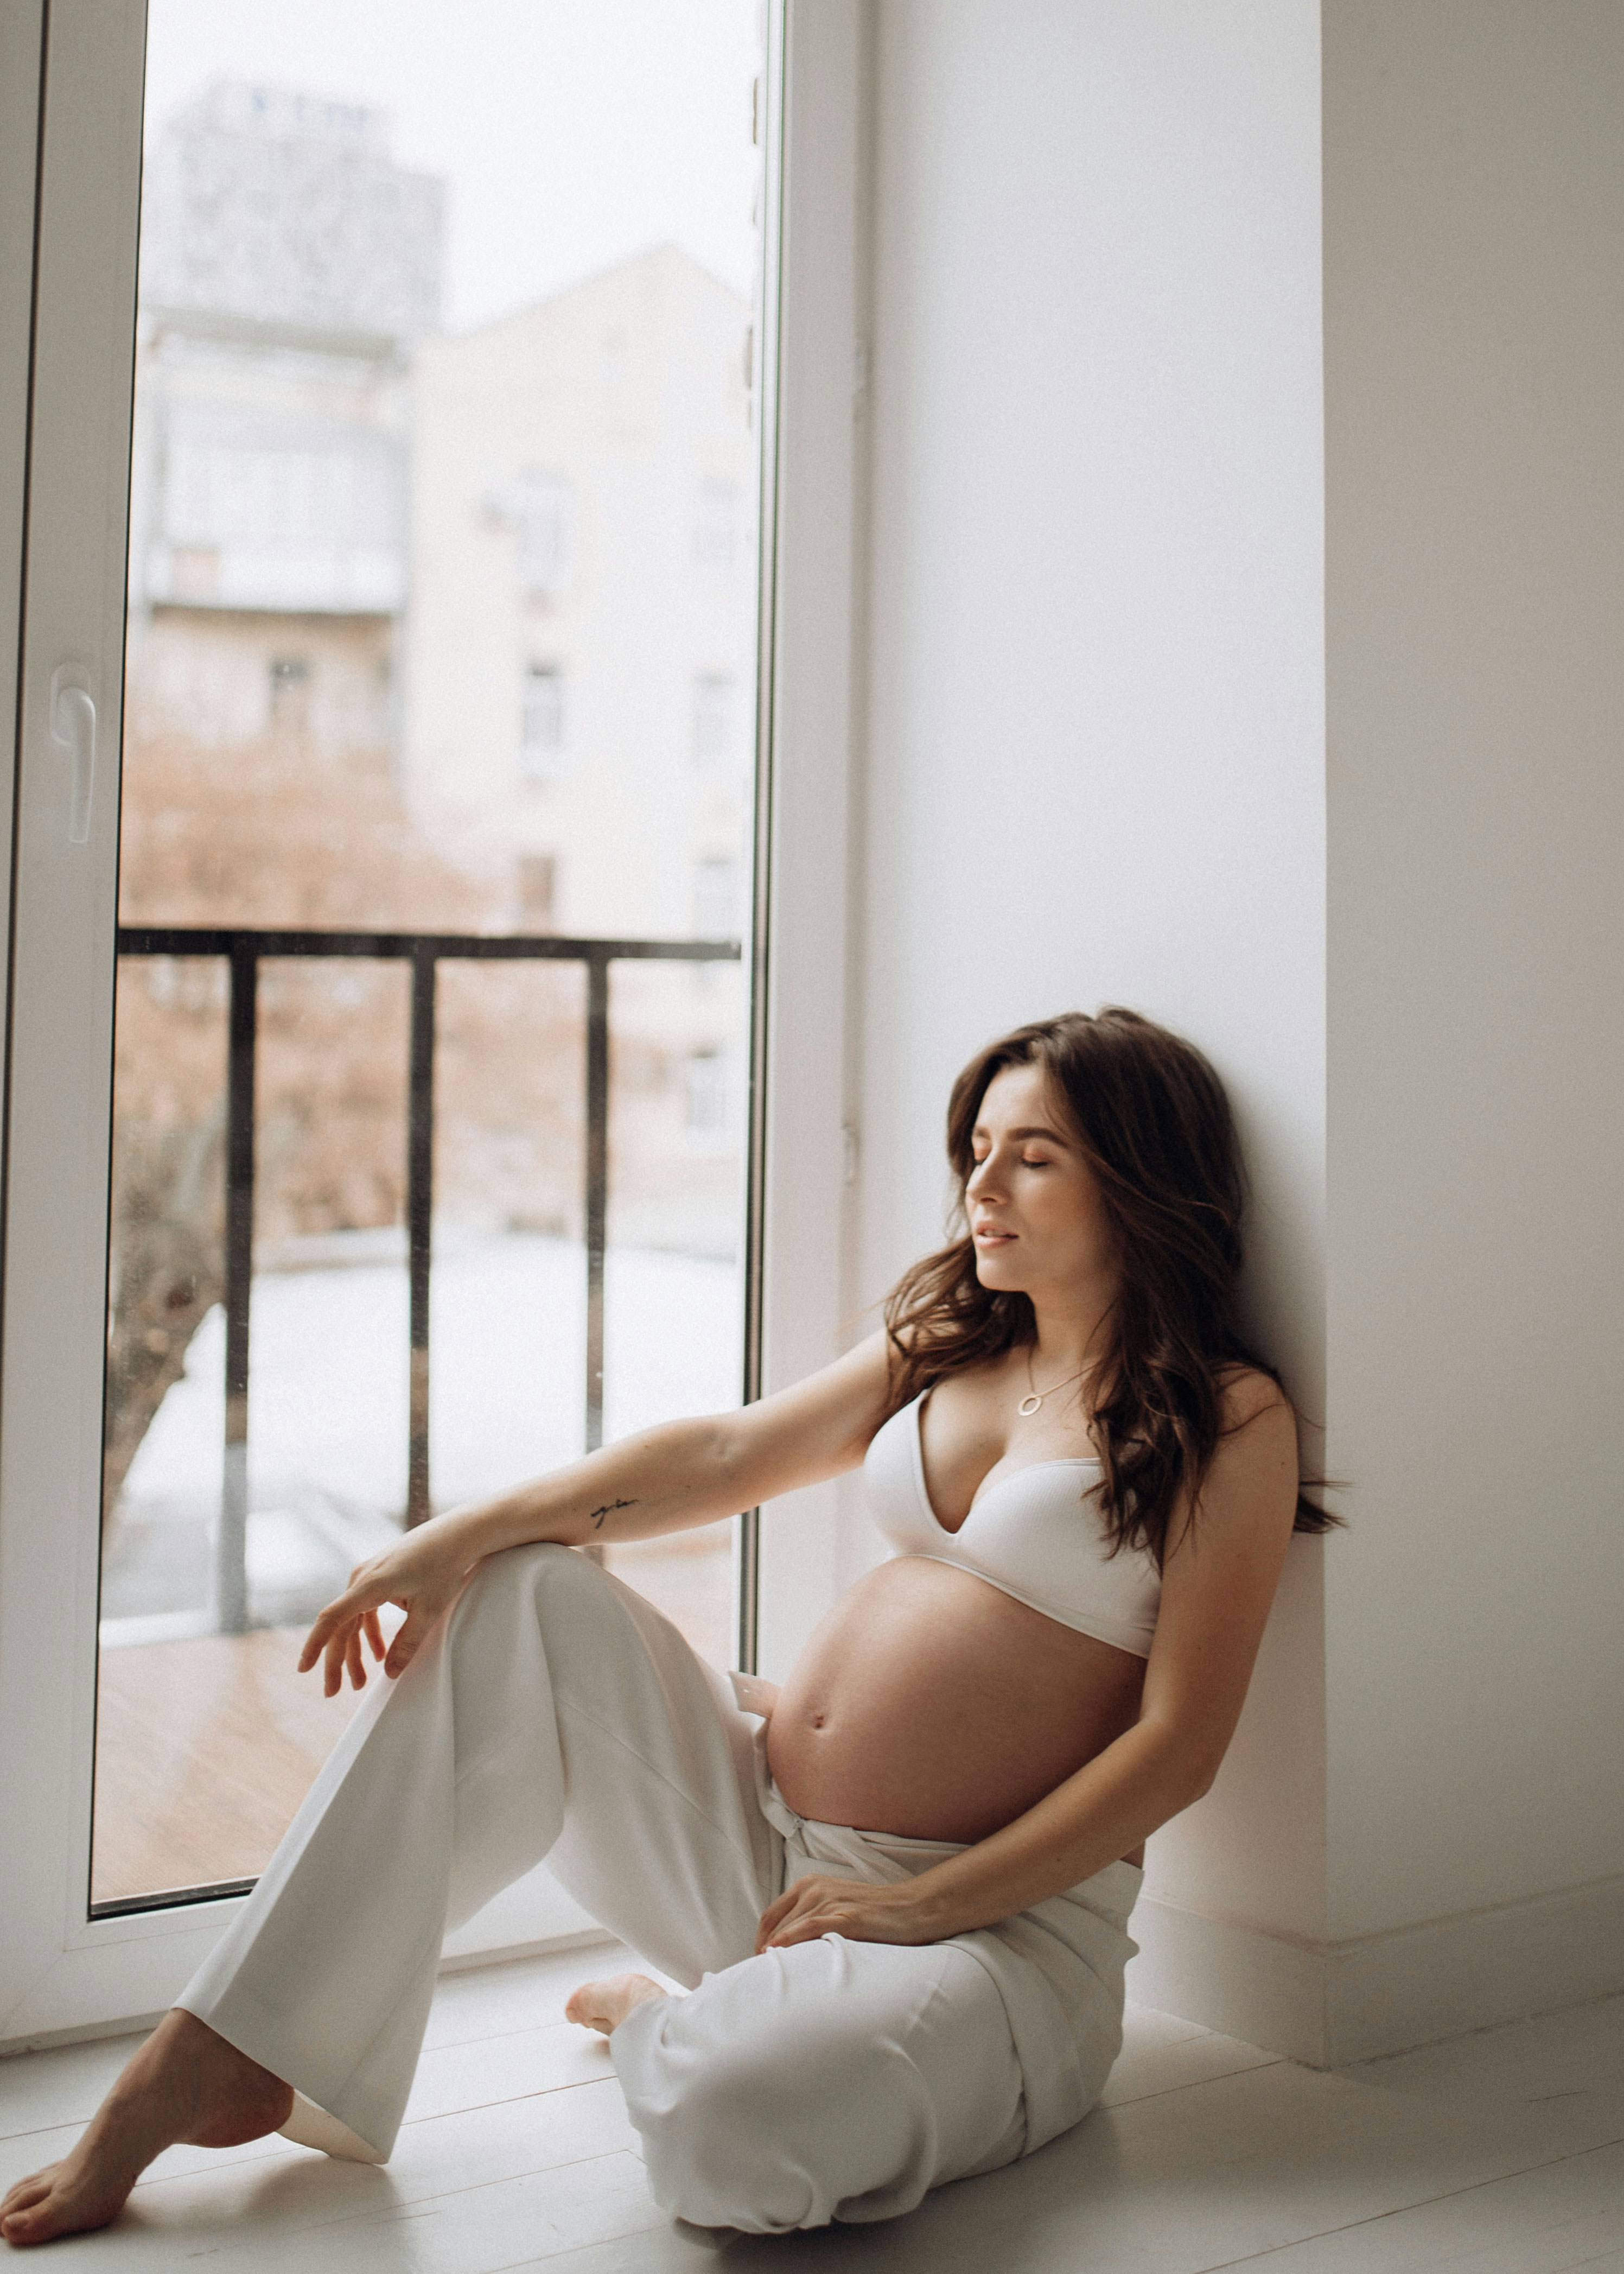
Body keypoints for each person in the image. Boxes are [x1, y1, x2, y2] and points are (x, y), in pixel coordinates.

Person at [1, 1007, 1332, 2248]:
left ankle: (670, 2021)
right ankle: (225, 2046)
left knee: (730, 2133)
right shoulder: (951, 1345)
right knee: (522, 1590)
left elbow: (1178, 1747)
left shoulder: (1228, 1418)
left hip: (989, 1935)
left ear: (1142, 1182)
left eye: (1033, 1158)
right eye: (977, 1149)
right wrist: (457, 1534)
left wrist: (919, 1901)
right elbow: (727, 1452)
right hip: (768, 1858)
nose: (983, 1185)